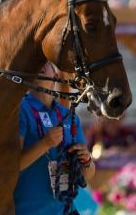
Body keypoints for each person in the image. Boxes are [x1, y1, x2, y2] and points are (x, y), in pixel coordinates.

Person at [14, 63, 95, 215]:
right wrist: (45, 144)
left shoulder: (69, 116)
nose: (39, 64)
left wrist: (87, 161)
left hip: (66, 211)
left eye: (45, 62)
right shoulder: (19, 111)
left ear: (56, 76)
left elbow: (86, 175)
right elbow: (12, 166)